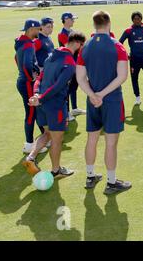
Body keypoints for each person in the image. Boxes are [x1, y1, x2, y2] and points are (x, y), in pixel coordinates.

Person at [76, 11, 132, 195]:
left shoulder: (85, 47)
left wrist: (93, 95)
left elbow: (80, 78)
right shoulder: (117, 47)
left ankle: (90, 176)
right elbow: (122, 76)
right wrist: (102, 94)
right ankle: (111, 181)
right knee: (110, 143)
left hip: (92, 100)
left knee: (91, 138)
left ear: (94, 24)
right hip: (112, 100)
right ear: (109, 23)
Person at [22, 32, 87, 178]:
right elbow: (58, 86)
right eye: (82, 45)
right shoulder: (70, 63)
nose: (82, 48)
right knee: (57, 139)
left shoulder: (51, 56)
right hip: (55, 105)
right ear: (77, 43)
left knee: (47, 133)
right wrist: (41, 97)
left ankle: (31, 158)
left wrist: (37, 94)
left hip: (41, 105)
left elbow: (39, 78)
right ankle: (56, 170)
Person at [15, 19, 47, 154]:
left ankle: (42, 138)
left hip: (24, 81)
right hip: (27, 83)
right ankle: (29, 144)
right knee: (31, 112)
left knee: (34, 111)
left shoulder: (21, 42)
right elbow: (26, 64)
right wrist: (31, 76)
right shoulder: (28, 44)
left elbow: (17, 59)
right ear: (31, 30)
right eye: (38, 29)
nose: (39, 31)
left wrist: (33, 70)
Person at [119, 12, 143, 106]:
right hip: (134, 60)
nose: (137, 20)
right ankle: (137, 98)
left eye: (138, 18)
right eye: (135, 19)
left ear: (141, 19)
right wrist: (125, 55)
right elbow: (120, 43)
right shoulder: (128, 31)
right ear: (132, 20)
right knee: (134, 79)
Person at [58, 12, 85, 121]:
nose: (73, 21)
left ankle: (74, 108)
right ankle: (66, 112)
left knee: (74, 87)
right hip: (67, 64)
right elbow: (71, 48)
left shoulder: (72, 32)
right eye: (72, 19)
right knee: (67, 90)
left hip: (76, 63)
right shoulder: (62, 34)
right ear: (66, 20)